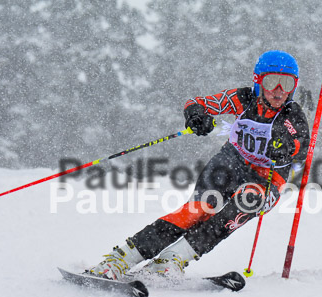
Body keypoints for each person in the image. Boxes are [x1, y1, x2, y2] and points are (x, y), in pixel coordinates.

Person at [88, 50, 310, 280]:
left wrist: (284, 149)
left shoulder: (292, 115)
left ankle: (173, 259)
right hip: (232, 161)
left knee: (245, 202)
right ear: (258, 81)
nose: (279, 90)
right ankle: (121, 259)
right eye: (272, 81)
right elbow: (198, 103)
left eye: (287, 83)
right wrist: (197, 116)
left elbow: (302, 146)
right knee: (200, 209)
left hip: (267, 175)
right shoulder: (243, 98)